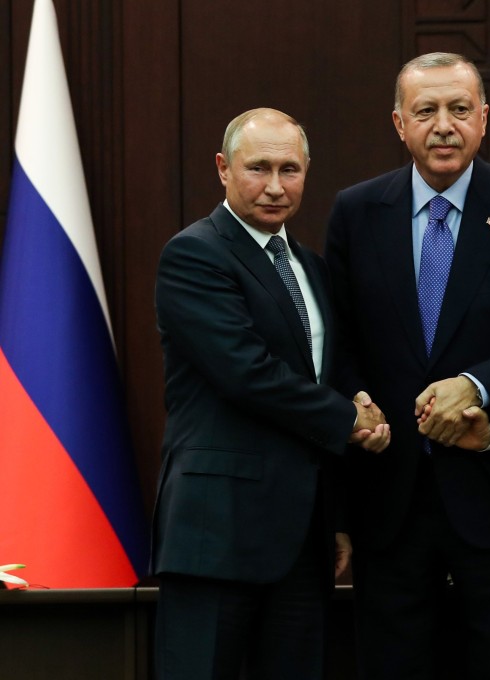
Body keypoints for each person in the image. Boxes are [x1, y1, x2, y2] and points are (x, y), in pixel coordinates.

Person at [325, 53, 490, 679]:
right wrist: (356, 399)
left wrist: (477, 385)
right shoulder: (356, 212)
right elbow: (337, 338)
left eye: (459, 109)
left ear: (484, 119)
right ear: (398, 123)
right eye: (426, 111)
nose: (444, 125)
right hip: (389, 500)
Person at [151, 107, 390, 680]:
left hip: (302, 539)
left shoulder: (312, 266)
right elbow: (245, 372)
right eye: (259, 168)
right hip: (217, 531)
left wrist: (333, 513)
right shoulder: (195, 254)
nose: (276, 186)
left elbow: (320, 377)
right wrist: (348, 419)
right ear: (223, 169)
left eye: (291, 169)